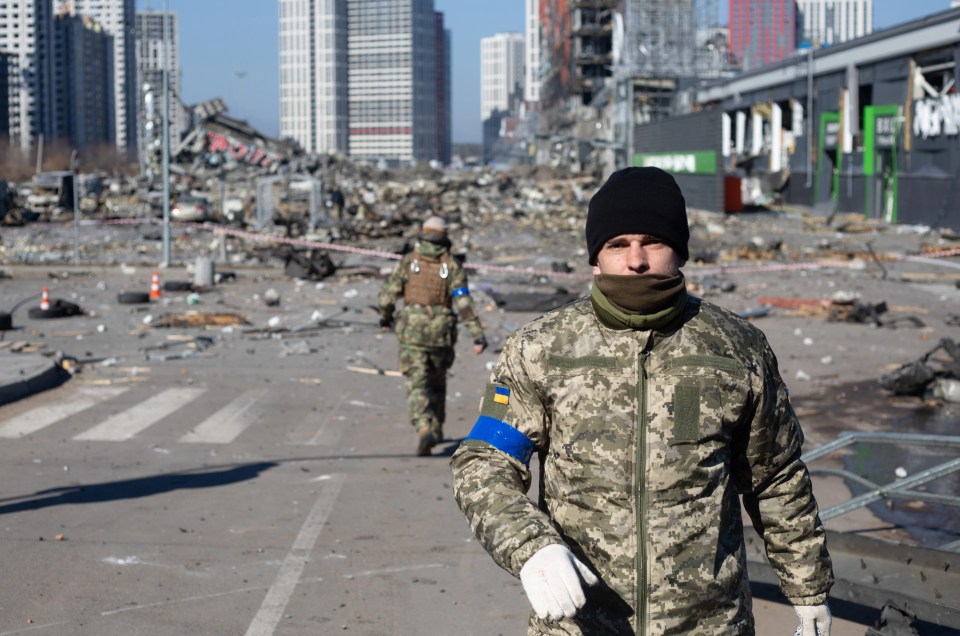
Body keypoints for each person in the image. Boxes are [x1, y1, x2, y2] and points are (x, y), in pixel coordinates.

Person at [450, 167, 834, 635]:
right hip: (582, 625)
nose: (635, 260)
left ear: (679, 250)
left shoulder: (736, 348)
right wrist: (530, 546)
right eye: (617, 244)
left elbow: (776, 476)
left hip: (709, 624)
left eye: (652, 240)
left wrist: (808, 588)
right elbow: (483, 462)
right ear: (596, 257)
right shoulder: (541, 349)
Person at [379, 215, 488, 456]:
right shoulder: (452, 266)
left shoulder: (409, 262)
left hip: (412, 334)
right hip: (441, 334)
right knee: (438, 383)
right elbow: (463, 302)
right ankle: (436, 429)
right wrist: (477, 335)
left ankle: (424, 426)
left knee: (417, 383)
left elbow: (388, 295)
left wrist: (385, 317)